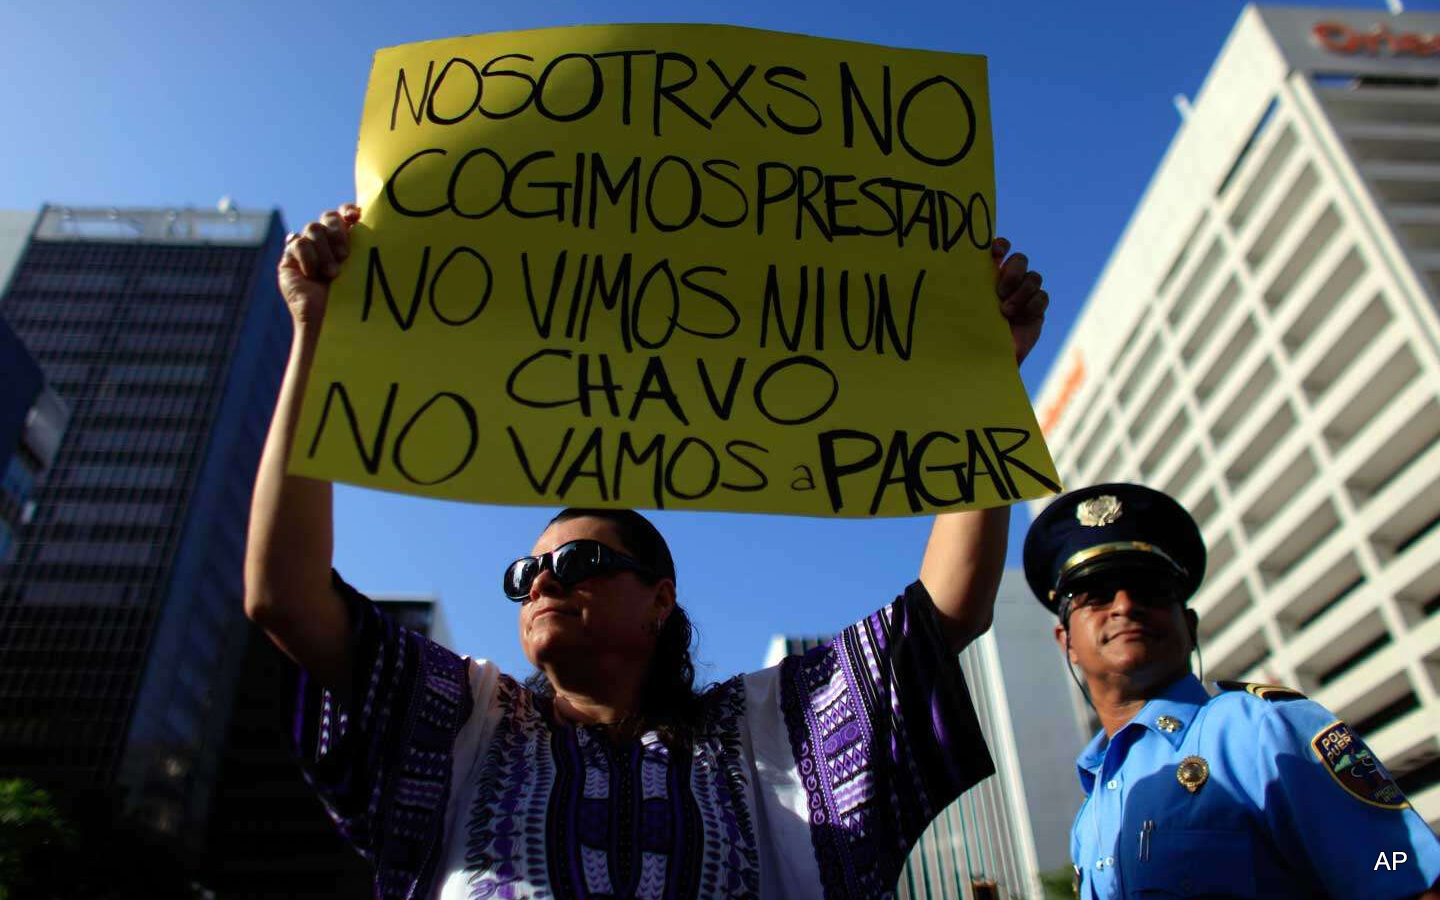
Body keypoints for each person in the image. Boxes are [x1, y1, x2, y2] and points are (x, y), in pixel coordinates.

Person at [244, 204, 1051, 899]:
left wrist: (992, 377)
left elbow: (948, 609)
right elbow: (282, 596)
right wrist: (314, 327)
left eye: (581, 564)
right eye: (527, 573)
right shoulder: (468, 723)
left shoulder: (761, 733)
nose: (544, 584)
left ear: (661, 599)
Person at [1023, 482, 1440, 900]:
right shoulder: (1089, 814)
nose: (1125, 605)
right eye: (1096, 596)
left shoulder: (1262, 728)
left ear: (1189, 626)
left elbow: (1399, 869)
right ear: (1067, 642)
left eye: (1150, 590)